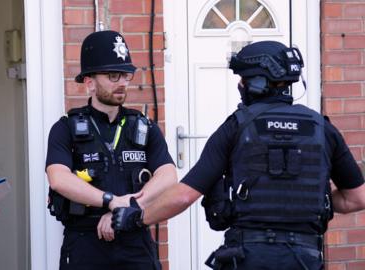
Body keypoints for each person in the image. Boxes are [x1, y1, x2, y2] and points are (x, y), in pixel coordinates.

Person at [112, 40, 365, 270]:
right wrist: (310, 197)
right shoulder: (323, 129)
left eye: (243, 79)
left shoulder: (236, 127)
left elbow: (184, 195)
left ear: (257, 83)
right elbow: (356, 198)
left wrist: (137, 217)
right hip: (306, 258)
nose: (240, 85)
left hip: (249, 257)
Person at [46, 30, 177, 270]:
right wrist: (110, 202)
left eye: (126, 76)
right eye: (113, 76)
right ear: (89, 83)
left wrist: (129, 205)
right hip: (86, 241)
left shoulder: (144, 126)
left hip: (134, 237)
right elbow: (58, 179)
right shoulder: (66, 128)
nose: (122, 84)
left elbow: (168, 175)